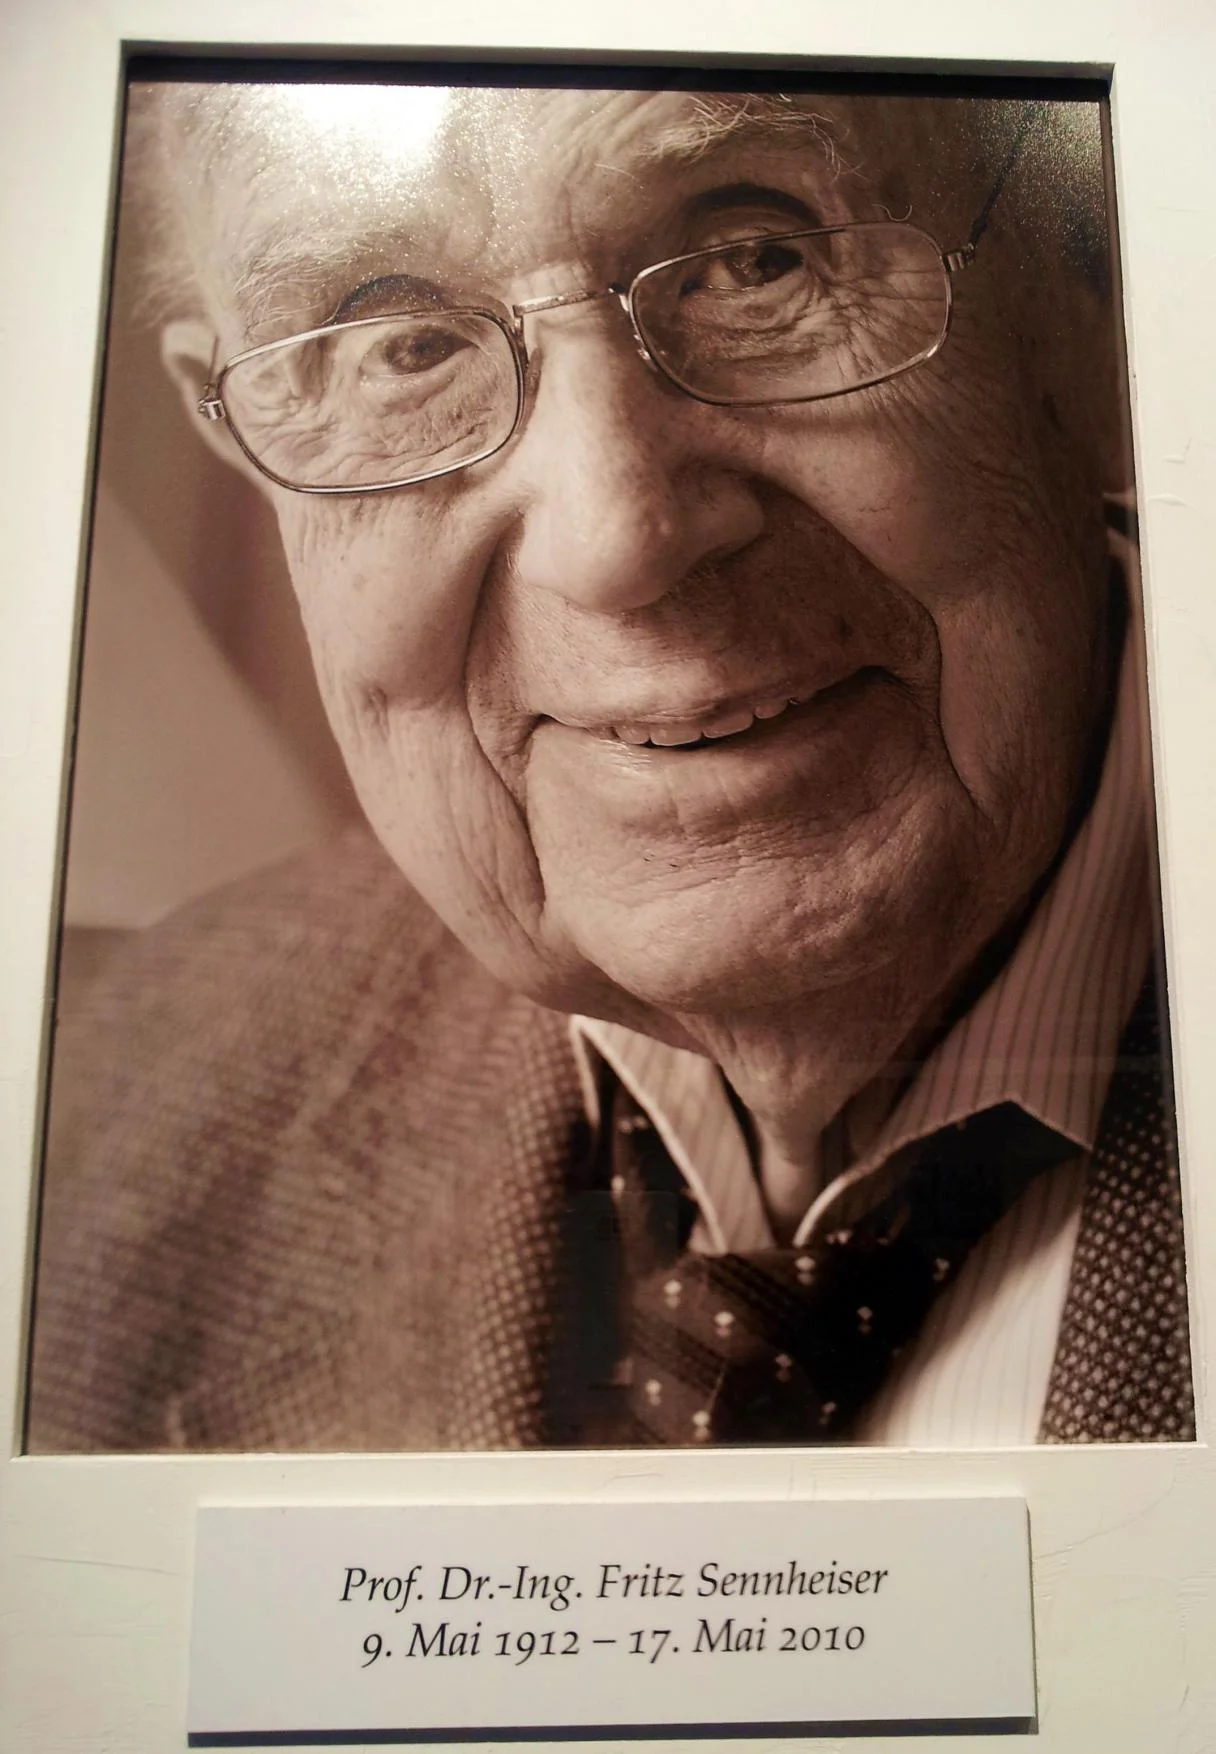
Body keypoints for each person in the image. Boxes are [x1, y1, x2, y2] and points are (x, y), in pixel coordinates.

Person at [27, 76, 1192, 1454]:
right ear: (250, 444)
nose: (618, 538)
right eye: (404, 347)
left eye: (756, 260)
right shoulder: (112, 1121)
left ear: (1088, 304)